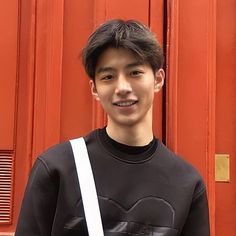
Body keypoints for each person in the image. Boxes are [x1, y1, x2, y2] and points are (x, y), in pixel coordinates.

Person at [15, 19, 210, 236]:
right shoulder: (57, 168)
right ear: (95, 89)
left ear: (158, 79)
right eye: (108, 77)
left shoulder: (186, 182)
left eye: (135, 72)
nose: (122, 87)